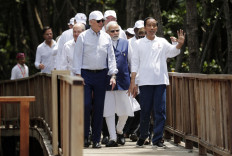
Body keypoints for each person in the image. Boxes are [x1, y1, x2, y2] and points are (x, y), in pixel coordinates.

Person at [128, 17, 185, 147]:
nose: (152, 28)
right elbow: (135, 63)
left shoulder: (162, 41)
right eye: (149, 25)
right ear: (145, 27)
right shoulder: (138, 44)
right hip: (144, 82)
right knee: (145, 111)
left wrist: (180, 43)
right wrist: (133, 82)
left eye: (154, 25)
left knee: (160, 111)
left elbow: (172, 51)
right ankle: (143, 135)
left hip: (160, 81)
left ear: (157, 28)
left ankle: (158, 139)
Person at [72, 10, 118, 149]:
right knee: (86, 105)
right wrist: (78, 75)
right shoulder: (83, 36)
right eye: (98, 21)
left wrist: (113, 75)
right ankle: (85, 136)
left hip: (101, 74)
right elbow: (77, 56)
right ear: (91, 22)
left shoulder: (106, 37)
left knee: (99, 107)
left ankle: (96, 139)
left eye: (102, 21)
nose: (101, 23)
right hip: (85, 74)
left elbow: (111, 57)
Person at [103, 21, 140, 147]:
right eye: (112, 31)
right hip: (107, 80)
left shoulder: (126, 43)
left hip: (124, 80)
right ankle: (112, 138)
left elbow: (131, 62)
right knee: (108, 109)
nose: (115, 33)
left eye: (117, 30)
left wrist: (133, 81)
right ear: (107, 32)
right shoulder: (103, 43)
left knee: (125, 109)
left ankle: (119, 131)